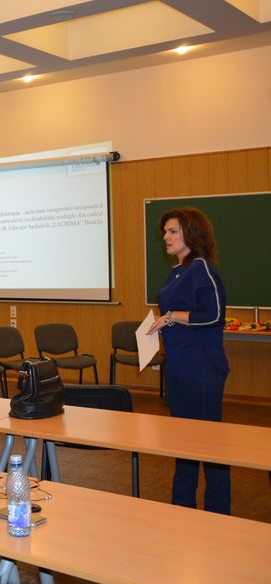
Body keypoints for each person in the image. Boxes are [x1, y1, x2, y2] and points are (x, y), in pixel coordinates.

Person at [147, 207, 230, 514]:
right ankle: (182, 508)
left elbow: (215, 314)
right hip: (179, 368)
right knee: (182, 444)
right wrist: (162, 322)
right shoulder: (176, 272)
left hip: (202, 370)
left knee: (209, 445)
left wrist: (172, 316)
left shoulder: (201, 268)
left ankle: (218, 513)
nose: (166, 237)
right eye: (165, 232)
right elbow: (177, 315)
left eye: (173, 231)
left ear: (191, 234)